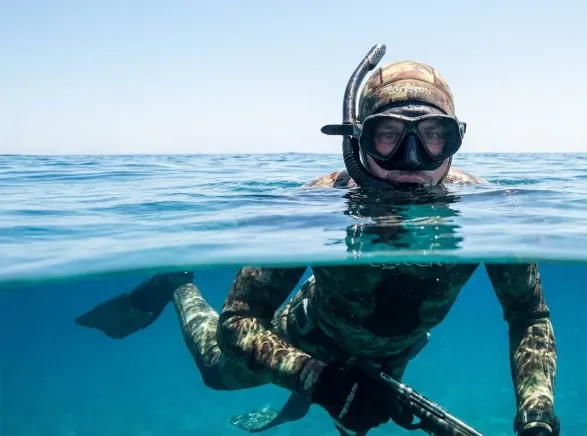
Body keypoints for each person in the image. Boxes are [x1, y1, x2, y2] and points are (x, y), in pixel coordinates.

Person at [75, 45, 560, 436]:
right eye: (387, 136)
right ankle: (178, 284)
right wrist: (317, 379)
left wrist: (536, 414)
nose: (412, 161)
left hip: (392, 354)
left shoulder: (495, 214)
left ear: (456, 140)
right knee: (215, 372)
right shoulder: (312, 207)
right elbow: (238, 323)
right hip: (307, 332)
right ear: (356, 143)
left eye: (434, 137)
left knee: (353, 423)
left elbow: (529, 315)